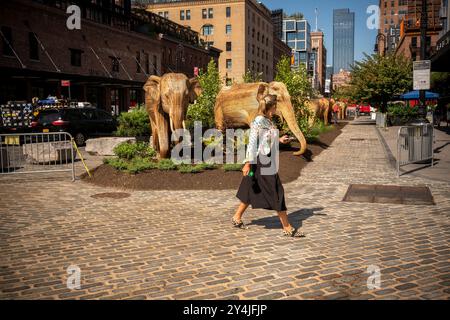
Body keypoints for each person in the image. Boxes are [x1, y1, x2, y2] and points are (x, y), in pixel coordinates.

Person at [231, 94, 305, 238]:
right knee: (276, 189)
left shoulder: (267, 121)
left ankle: (236, 217)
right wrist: (247, 163)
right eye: (276, 106)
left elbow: (266, 139)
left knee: (250, 188)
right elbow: (252, 142)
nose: (276, 109)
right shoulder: (259, 120)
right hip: (261, 161)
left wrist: (280, 138)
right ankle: (287, 227)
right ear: (272, 107)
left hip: (264, 159)